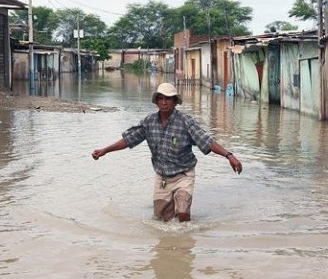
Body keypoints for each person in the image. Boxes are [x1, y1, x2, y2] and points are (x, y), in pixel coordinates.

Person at [91, 82, 243, 222]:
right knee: (161, 220)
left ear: (175, 102)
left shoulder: (185, 121)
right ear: (156, 101)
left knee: (182, 213)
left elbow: (207, 141)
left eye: (168, 99)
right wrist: (105, 150)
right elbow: (128, 140)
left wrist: (229, 155)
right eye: (161, 98)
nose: (164, 102)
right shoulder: (149, 122)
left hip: (184, 174)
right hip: (162, 177)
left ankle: (185, 239)